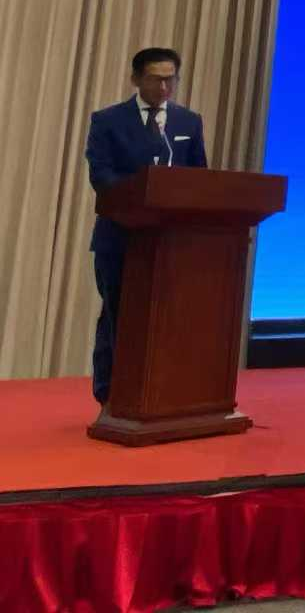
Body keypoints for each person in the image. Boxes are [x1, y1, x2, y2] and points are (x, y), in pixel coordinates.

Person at [85, 48, 208, 407]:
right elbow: (101, 175)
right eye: (156, 79)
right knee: (118, 316)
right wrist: (142, 198)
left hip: (171, 240)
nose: (164, 87)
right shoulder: (107, 120)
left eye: (171, 79)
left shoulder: (188, 123)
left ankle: (163, 394)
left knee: (169, 319)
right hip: (120, 237)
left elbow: (199, 177)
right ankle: (111, 396)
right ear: (136, 79)